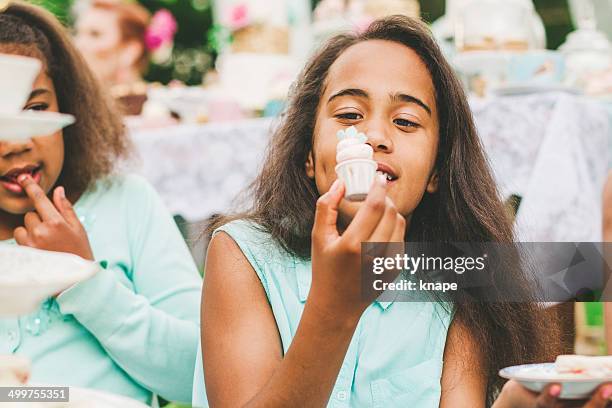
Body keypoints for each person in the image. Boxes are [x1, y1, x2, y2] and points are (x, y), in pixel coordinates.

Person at [193, 14, 569, 407]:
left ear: (435, 172)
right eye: (349, 115)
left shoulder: (458, 282)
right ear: (307, 154)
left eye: (405, 121)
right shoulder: (244, 255)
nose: (374, 136)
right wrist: (334, 306)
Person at [0, 2, 200, 404]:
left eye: (37, 109)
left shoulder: (126, 202)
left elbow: (199, 373)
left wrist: (84, 281)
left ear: (68, 106)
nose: (17, 141)